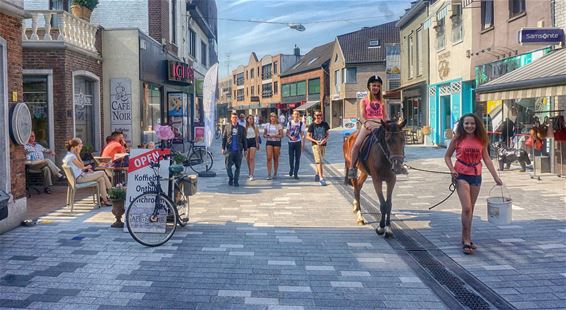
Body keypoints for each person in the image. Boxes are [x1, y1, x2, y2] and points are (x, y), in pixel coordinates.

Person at [444, 113, 503, 255]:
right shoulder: (457, 139)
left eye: (472, 123)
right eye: (466, 123)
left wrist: (496, 177)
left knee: (472, 209)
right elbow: (447, 156)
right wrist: (452, 170)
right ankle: (465, 240)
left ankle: (467, 237)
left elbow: (487, 159)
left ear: (476, 125)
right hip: (461, 174)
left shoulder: (481, 139)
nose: (469, 126)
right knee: (467, 208)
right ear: (462, 125)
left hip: (476, 175)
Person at [347, 75, 388, 179]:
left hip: (380, 125)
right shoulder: (364, 101)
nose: (376, 88)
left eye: (378, 86)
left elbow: (386, 116)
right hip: (368, 125)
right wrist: (366, 123)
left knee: (393, 141)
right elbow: (362, 115)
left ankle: (396, 163)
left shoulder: (382, 102)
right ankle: (352, 168)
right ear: (369, 86)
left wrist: (389, 125)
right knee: (356, 145)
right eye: (374, 85)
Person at [62, 138, 113, 206]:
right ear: (74, 147)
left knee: (101, 179)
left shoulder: (68, 155)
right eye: (80, 145)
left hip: (79, 176)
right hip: (79, 178)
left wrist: (86, 169)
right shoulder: (72, 157)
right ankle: (112, 193)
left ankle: (105, 200)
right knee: (102, 173)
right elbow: (81, 166)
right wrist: (78, 154)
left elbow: (77, 168)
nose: (82, 146)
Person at [222, 112, 247, 186]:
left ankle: (236, 180)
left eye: (236, 118)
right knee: (227, 166)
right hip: (229, 150)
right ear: (231, 118)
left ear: (237, 119)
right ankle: (230, 178)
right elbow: (224, 138)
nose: (234, 119)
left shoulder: (241, 128)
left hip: (238, 150)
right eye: (233, 117)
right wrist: (223, 148)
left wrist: (245, 150)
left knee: (238, 166)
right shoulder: (227, 127)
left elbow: (244, 139)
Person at [307, 110, 330, 186]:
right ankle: (321, 178)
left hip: (323, 144)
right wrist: (315, 141)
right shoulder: (312, 125)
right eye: (317, 115)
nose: (318, 116)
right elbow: (308, 136)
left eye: (319, 115)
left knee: (321, 160)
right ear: (314, 116)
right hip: (315, 145)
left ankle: (317, 173)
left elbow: (327, 134)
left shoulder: (325, 124)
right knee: (319, 161)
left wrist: (325, 139)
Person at [264, 112, 284, 180]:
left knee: (276, 158)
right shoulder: (267, 125)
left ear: (276, 118)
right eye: (271, 116)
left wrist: (275, 135)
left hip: (277, 142)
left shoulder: (279, 125)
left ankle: (275, 173)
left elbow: (282, 135)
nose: (273, 117)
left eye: (274, 116)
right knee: (269, 158)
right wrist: (267, 135)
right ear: (270, 118)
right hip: (269, 141)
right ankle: (269, 174)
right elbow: (264, 135)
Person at [287, 110, 305, 179]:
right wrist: (291, 137)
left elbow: (302, 134)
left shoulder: (301, 124)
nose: (296, 116)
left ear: (299, 116)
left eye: (298, 114)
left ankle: (296, 173)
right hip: (291, 142)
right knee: (291, 158)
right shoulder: (289, 123)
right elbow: (287, 133)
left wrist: (303, 144)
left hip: (298, 142)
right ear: (292, 115)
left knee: (298, 158)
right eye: (295, 114)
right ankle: (291, 168)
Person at [245, 115, 260, 181]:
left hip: (253, 141)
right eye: (250, 119)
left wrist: (257, 143)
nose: (251, 120)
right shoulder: (245, 127)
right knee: (247, 158)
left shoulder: (255, 127)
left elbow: (257, 136)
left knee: (251, 158)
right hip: (246, 141)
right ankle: (249, 171)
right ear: (247, 119)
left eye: (252, 119)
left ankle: (251, 174)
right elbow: (243, 136)